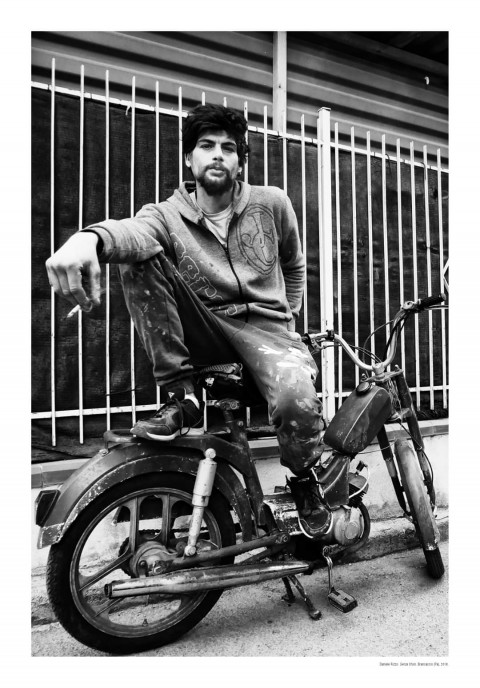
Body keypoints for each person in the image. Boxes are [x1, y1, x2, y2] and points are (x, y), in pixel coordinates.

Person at [46, 104, 330, 537]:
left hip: (269, 334)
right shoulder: (165, 215)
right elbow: (132, 234)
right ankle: (184, 397)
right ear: (188, 158)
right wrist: (89, 239)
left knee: (298, 401)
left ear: (240, 161)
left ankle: (305, 478)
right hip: (208, 329)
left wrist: (286, 321)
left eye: (228, 148)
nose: (218, 154)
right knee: (140, 255)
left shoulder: (272, 203)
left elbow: (294, 265)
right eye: (206, 145)